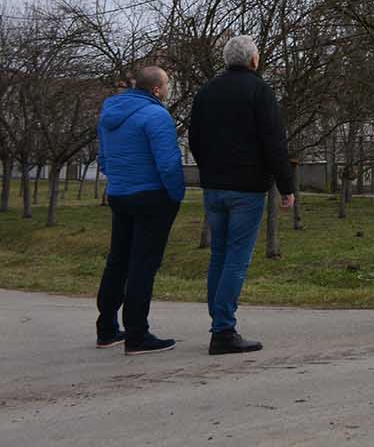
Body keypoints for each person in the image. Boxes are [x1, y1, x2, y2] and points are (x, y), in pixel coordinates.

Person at [189, 34, 296, 355]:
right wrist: (286, 186)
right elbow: (274, 142)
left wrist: (209, 169)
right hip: (247, 188)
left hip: (215, 186)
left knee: (219, 256)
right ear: (253, 60)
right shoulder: (260, 91)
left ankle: (218, 321)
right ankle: (223, 329)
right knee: (237, 258)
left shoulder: (206, 92)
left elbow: (195, 138)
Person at [95, 66, 185, 355]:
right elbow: (168, 163)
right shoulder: (157, 115)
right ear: (157, 89)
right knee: (143, 265)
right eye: (167, 84)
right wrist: (175, 195)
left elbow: (104, 158)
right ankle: (137, 335)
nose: (168, 89)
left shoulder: (109, 112)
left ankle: (107, 329)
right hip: (151, 197)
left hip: (120, 194)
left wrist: (118, 181)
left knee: (118, 261)